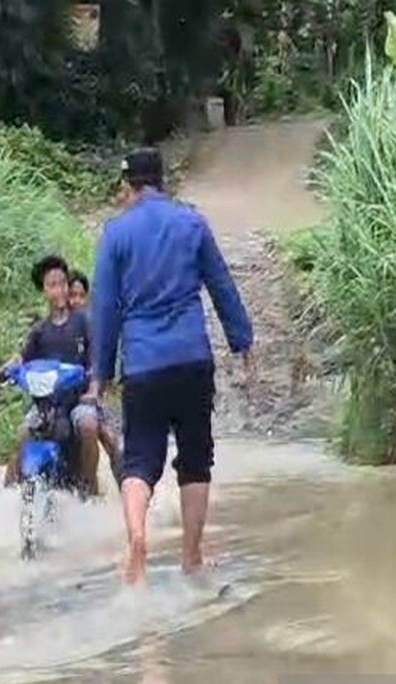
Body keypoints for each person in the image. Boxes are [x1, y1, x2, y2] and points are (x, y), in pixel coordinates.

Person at [88, 147, 253, 585]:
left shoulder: (116, 234)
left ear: (128, 185)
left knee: (140, 458)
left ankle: (138, 538)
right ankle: (192, 557)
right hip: (192, 358)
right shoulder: (192, 222)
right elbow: (221, 283)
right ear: (162, 181)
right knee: (196, 458)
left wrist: (100, 373)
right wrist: (242, 340)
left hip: (142, 363)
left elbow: (104, 308)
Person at [0, 255, 101, 497]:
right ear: (44, 290)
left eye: (62, 283)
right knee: (23, 433)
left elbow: (96, 360)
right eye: (52, 285)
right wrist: (1, 371)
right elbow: (21, 359)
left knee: (89, 426)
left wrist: (92, 390)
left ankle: (91, 490)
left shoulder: (83, 321)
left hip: (78, 400)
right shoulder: (40, 330)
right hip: (47, 403)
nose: (59, 290)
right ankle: (6, 495)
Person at [66, 269, 123, 479]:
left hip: (87, 397)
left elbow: (102, 365)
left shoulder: (93, 328)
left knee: (107, 436)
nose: (76, 301)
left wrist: (95, 390)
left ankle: (125, 488)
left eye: (81, 296)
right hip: (56, 398)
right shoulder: (52, 326)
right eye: (72, 295)